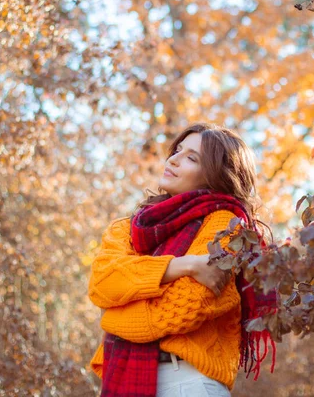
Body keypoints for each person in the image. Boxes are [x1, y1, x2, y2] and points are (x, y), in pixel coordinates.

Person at [88, 123, 277, 397]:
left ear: (215, 176)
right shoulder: (126, 229)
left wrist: (113, 317)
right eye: (177, 150)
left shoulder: (226, 225)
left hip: (187, 382)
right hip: (123, 378)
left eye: (191, 158)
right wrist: (182, 265)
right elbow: (101, 284)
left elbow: (184, 308)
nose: (173, 159)